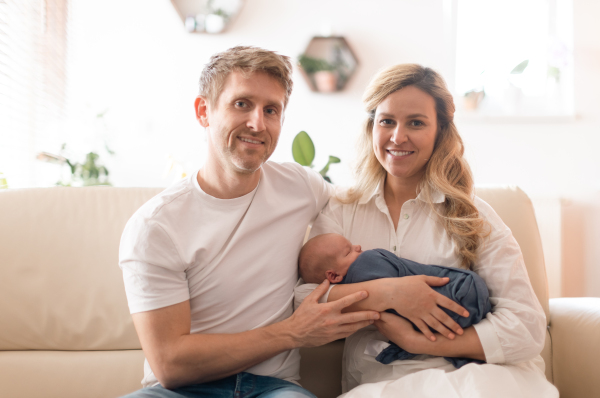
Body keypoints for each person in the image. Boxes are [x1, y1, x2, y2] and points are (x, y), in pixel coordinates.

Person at [117, 46, 385, 398]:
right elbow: (170, 364)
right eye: (242, 104)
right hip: (180, 392)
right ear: (204, 111)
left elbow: (371, 205)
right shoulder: (155, 226)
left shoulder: (301, 187)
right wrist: (292, 332)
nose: (258, 123)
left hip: (274, 389)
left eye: (271, 110)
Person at [295, 64, 559, 397]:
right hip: (381, 384)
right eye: (386, 121)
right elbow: (304, 300)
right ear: (371, 127)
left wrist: (417, 342)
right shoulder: (340, 210)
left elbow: (526, 327)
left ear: (440, 132)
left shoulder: (473, 216)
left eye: (416, 123)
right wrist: (391, 293)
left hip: (476, 378)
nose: (397, 136)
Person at [297, 232, 492, 368]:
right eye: (348, 251)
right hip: (467, 290)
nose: (358, 246)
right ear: (333, 276)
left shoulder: (368, 262)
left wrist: (412, 342)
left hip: (460, 292)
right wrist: (387, 292)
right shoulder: (364, 264)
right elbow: (302, 296)